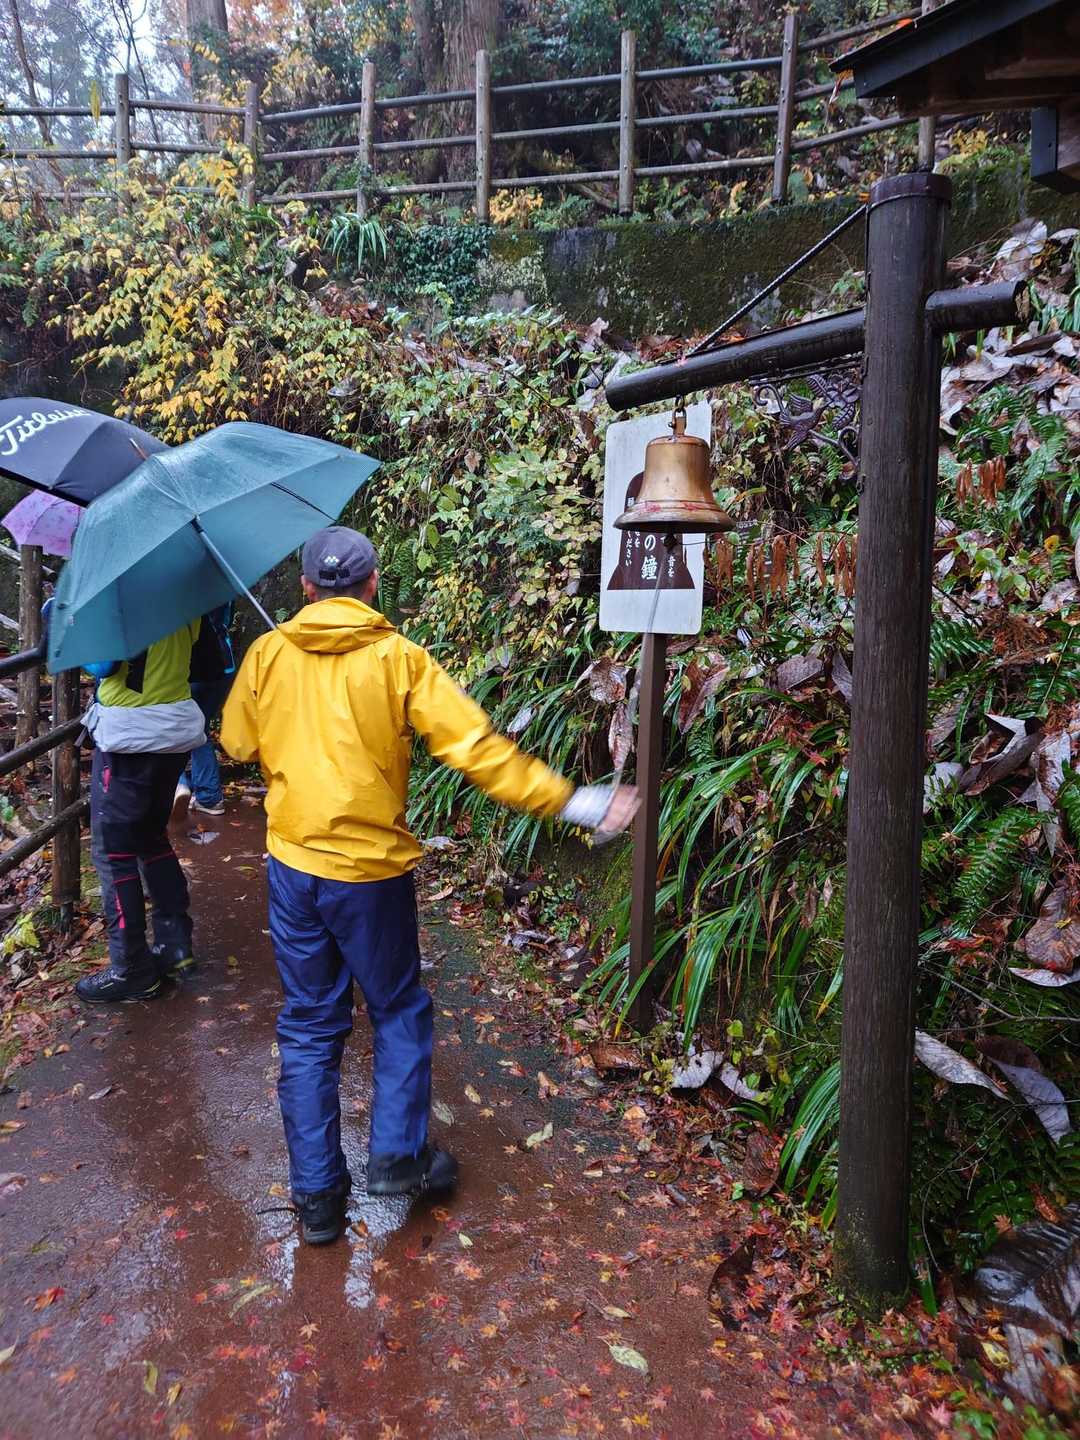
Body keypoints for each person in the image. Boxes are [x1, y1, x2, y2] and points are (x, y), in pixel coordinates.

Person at [220, 526, 638, 1246]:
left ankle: (317, 1197)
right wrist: (576, 801)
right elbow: (475, 750)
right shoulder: (399, 660)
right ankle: (396, 1157)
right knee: (398, 1009)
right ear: (373, 585)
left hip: (294, 867)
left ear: (306, 589)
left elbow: (235, 742)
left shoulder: (267, 654)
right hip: (370, 876)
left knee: (311, 1025)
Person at [76, 621, 207, 1003]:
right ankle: (174, 945)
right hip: (173, 729)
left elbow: (102, 664)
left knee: (113, 854)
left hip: (130, 734)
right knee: (151, 838)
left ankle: (131, 968)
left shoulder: (119, 598)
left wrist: (71, 629)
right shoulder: (183, 596)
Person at [173, 602, 236, 820]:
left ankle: (176, 785)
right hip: (223, 664)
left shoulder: (178, 590)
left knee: (175, 728)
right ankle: (208, 797)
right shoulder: (223, 586)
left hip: (191, 667)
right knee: (200, 728)